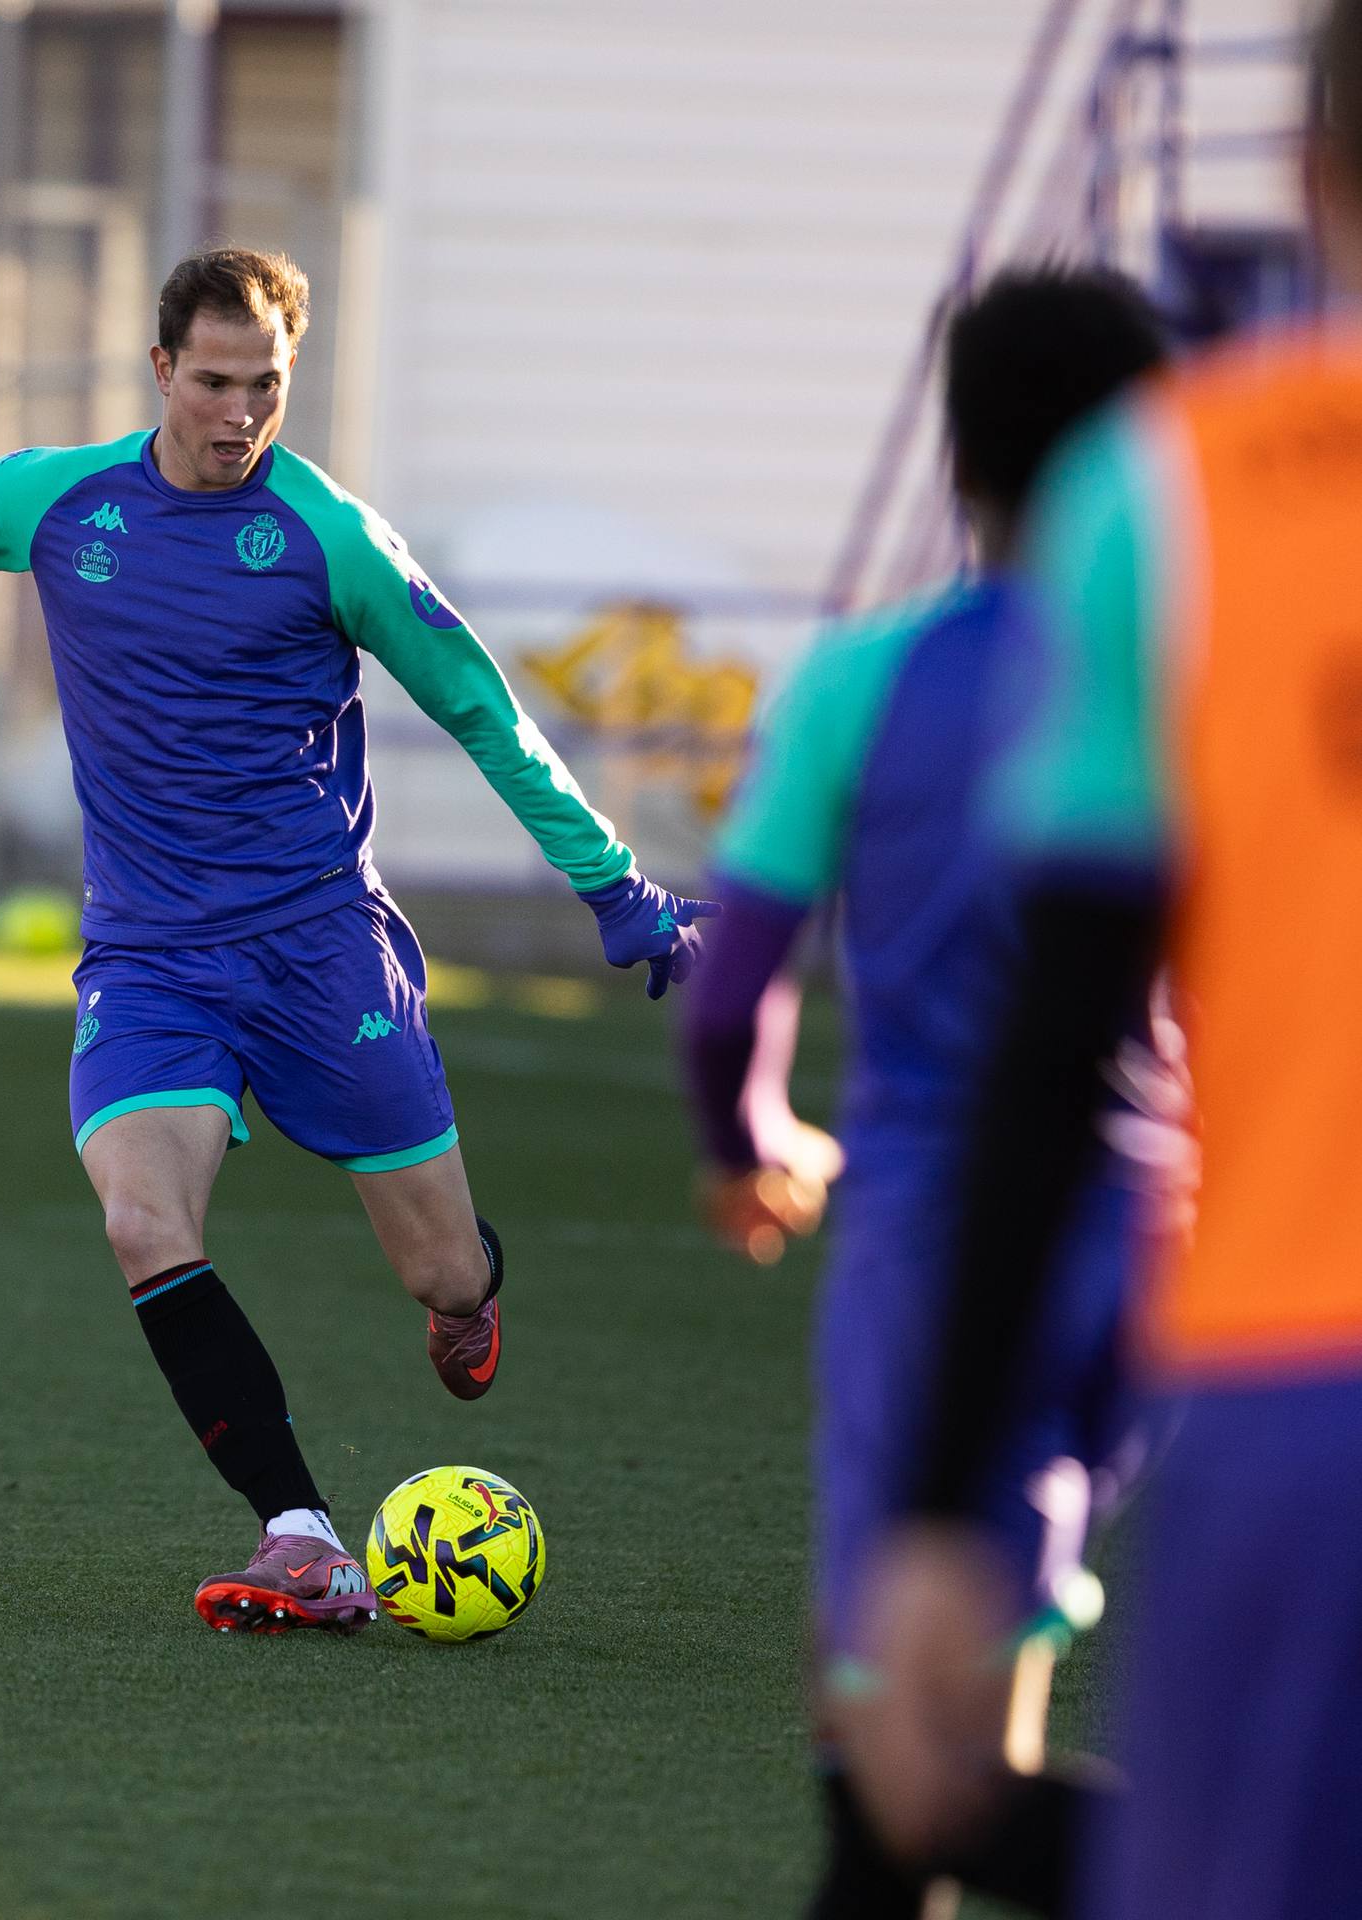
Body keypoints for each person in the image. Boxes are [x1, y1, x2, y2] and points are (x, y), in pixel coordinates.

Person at [0, 248, 708, 1631]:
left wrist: (615, 888)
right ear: (159, 371)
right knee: (137, 1216)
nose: (238, 413)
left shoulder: (326, 534)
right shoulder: (61, 502)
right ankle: (300, 1534)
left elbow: (481, 708)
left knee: (440, 1272)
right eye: (215, 382)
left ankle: (467, 1297)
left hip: (319, 952)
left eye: (266, 386)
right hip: (151, 961)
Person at [853, 7, 1362, 1909]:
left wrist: (927, 1517)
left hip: (1305, 1392)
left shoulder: (1176, 496)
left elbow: (1054, 1030)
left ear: (1305, 166)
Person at [680, 268, 1175, 1917]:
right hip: (1162, 1244)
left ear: (953, 457)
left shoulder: (859, 682)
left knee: (894, 1771)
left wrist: (743, 1141)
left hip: (941, 1234)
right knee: (988, 1689)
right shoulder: (1200, 680)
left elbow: (727, 995)